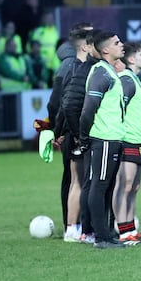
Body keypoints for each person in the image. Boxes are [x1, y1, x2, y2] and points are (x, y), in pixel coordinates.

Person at [79, 30, 126, 249]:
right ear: (105, 49)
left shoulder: (109, 71)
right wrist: (84, 136)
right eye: (117, 43)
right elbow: (88, 110)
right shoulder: (101, 73)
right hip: (104, 138)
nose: (122, 45)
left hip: (113, 137)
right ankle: (100, 236)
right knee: (99, 185)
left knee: (106, 187)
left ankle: (106, 232)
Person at [45, 24, 92, 240]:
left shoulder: (84, 64)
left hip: (75, 129)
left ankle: (79, 224)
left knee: (78, 178)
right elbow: (57, 103)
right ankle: (70, 224)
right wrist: (58, 131)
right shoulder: (68, 66)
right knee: (72, 178)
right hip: (71, 131)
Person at [59, 29, 100, 243]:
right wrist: (76, 134)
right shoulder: (78, 69)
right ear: (86, 46)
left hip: (73, 131)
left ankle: (73, 228)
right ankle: (78, 228)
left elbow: (60, 103)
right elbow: (66, 104)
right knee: (81, 181)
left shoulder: (76, 68)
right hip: (78, 133)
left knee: (79, 181)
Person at [114, 42, 141, 245]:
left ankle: (131, 229)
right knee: (125, 186)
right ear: (131, 59)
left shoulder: (134, 79)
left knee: (134, 186)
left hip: (138, 140)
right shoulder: (126, 80)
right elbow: (118, 108)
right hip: (127, 140)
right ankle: (123, 230)